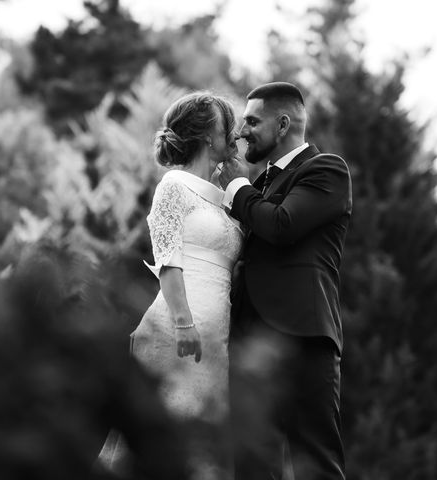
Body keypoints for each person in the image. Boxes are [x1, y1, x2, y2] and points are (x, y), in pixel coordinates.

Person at [99, 92, 243, 480]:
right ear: (207, 135)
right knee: (167, 435)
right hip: (180, 329)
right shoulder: (173, 186)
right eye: (226, 123)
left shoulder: (226, 196)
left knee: (202, 442)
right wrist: (183, 323)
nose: (235, 130)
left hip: (217, 336)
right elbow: (168, 259)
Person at [219, 82, 352, 480]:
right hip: (248, 343)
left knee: (315, 462)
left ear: (282, 124)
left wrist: (237, 187)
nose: (242, 132)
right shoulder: (259, 186)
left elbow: (282, 225)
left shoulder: (326, 169)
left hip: (303, 339)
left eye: (252, 121)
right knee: (252, 465)